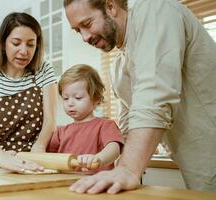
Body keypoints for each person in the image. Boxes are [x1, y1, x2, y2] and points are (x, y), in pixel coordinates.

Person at [64, 0, 216, 193]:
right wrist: (116, 171)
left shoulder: (155, 10)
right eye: (78, 31)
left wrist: (128, 169)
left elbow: (154, 96)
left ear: (110, 6)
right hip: (193, 158)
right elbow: (128, 123)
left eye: (87, 24)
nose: (84, 37)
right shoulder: (119, 66)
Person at [0, 12, 58, 173]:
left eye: (30, 44)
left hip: (38, 162)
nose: (24, 51)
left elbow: (50, 120)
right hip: (0, 166)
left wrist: (39, 147)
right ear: (3, 43)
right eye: (16, 43)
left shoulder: (43, 70)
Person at [47, 64, 123, 174]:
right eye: (65, 98)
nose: (70, 103)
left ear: (95, 98)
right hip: (65, 186)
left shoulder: (106, 125)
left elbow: (114, 149)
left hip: (96, 184)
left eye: (78, 98)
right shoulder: (60, 132)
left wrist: (98, 158)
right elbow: (48, 157)